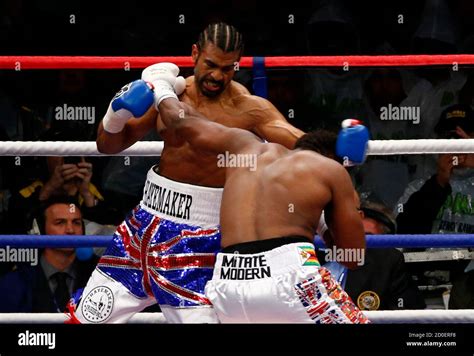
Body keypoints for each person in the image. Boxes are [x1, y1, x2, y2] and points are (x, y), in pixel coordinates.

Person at [71, 22, 307, 324]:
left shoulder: (248, 109)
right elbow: (107, 145)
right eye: (210, 64)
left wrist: (339, 148)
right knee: (89, 316)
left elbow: (297, 141)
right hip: (143, 224)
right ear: (195, 54)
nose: (218, 76)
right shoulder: (169, 93)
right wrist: (115, 114)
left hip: (201, 236)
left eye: (228, 68)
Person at [152, 93, 369, 323]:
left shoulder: (244, 146)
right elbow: (352, 257)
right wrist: (326, 223)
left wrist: (161, 87)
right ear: (331, 157)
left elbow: (184, 121)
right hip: (292, 280)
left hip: (228, 286)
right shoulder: (330, 169)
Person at [0, 196, 99, 312]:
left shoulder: (100, 274)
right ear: (40, 230)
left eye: (76, 223)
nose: (71, 230)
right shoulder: (14, 282)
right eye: (60, 223)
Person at [324, 199, 426, 311]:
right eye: (354, 233)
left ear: (385, 240)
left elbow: (408, 312)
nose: (358, 240)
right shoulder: (320, 254)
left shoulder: (389, 262)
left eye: (367, 236)